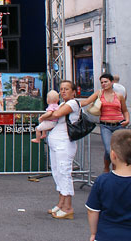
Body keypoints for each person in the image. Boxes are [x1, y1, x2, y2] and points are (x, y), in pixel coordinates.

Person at [86, 129, 131, 241]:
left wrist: (94, 233)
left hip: (106, 235)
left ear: (113, 155)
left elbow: (92, 210)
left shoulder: (102, 181)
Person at [80, 73, 130, 172]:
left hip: (119, 125)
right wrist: (71, 104)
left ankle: (115, 170)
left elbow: (125, 110)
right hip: (105, 126)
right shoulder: (99, 94)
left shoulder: (119, 96)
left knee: (118, 150)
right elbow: (86, 102)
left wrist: (127, 120)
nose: (104, 84)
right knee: (108, 150)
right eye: (102, 82)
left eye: (106, 82)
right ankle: (106, 167)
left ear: (112, 82)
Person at [44, 80, 79, 220]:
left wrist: (44, 116)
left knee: (64, 173)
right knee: (57, 173)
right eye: (62, 89)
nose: (63, 91)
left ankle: (68, 207)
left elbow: (55, 115)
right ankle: (61, 203)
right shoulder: (62, 104)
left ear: (73, 92)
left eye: (67, 89)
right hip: (56, 143)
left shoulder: (72, 104)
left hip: (64, 143)